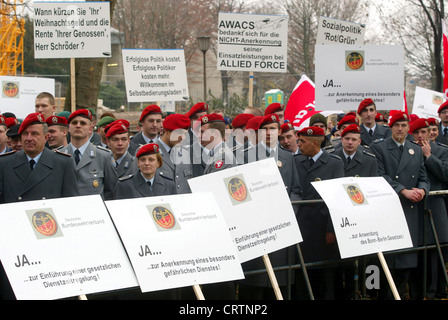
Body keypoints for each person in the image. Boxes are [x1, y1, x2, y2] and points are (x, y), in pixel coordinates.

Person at [0, 113, 79, 300]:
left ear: (46, 137)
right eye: (25, 134)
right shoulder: (5, 163)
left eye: (34, 134)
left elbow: (71, 206)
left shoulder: (62, 163)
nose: (28, 138)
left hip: (49, 243)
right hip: (16, 247)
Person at [370, 111, 430, 300]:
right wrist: (402, 190)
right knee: (388, 265)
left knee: (406, 264)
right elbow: (379, 176)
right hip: (390, 209)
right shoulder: (378, 147)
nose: (400, 129)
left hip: (410, 211)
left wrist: (422, 190)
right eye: (397, 125)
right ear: (390, 127)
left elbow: (423, 177)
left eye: (404, 125)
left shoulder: (415, 149)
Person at [293, 126, 345, 300]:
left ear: (315, 143)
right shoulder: (296, 161)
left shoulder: (334, 163)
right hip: (301, 226)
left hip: (322, 228)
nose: (298, 144)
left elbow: (337, 198)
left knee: (325, 277)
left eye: (303, 141)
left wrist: (332, 228)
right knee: (302, 273)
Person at [409, 118, 448, 299]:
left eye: (424, 132)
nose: (420, 136)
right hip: (413, 206)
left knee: (434, 251)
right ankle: (415, 291)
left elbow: (445, 174)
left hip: (434, 206)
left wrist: (429, 157)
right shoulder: (408, 150)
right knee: (415, 250)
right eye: (416, 133)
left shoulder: (441, 150)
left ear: (430, 133)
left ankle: (432, 292)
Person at [60, 109, 118, 201]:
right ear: (68, 128)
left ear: (90, 129)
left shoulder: (103, 156)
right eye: (74, 123)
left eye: (83, 123)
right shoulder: (59, 155)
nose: (78, 125)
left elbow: (111, 192)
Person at [154, 113, 192, 194]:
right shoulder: (149, 152)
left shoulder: (186, 153)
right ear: (166, 131)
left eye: (185, 134)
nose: (183, 138)